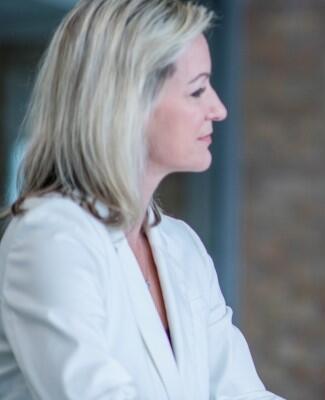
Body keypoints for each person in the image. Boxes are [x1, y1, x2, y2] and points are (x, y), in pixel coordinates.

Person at [0, 1, 282, 399]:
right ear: (130, 104)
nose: (218, 109)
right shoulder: (50, 240)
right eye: (197, 89)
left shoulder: (182, 248)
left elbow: (239, 392)